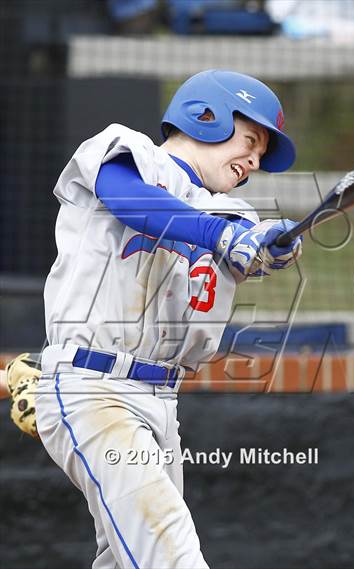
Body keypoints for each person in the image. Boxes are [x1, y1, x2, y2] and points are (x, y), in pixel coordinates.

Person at [34, 69, 303, 569]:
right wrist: (223, 238)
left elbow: (246, 244)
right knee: (171, 554)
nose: (254, 160)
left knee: (125, 557)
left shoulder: (231, 213)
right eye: (250, 140)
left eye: (262, 155)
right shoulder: (129, 153)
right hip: (95, 388)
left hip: (162, 402)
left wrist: (272, 245)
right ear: (206, 116)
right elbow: (132, 201)